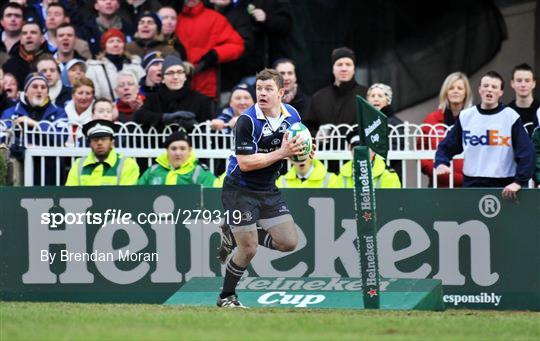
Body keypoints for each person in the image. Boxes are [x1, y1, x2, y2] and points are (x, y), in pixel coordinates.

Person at [216, 68, 310, 308]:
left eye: (268, 89)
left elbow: (296, 147)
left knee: (289, 242)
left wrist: (305, 149)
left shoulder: (293, 115)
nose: (262, 93)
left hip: (268, 188)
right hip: (239, 189)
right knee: (248, 249)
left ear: (281, 92)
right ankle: (227, 297)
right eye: (259, 89)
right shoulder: (247, 121)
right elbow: (245, 164)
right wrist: (283, 152)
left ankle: (233, 230)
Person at [435, 71, 535, 200]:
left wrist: (518, 182)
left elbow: (527, 152)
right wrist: (441, 162)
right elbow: (447, 146)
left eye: (494, 87)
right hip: (472, 184)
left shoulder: (511, 116)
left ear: (501, 92)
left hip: (505, 185)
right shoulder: (466, 116)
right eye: (486, 86)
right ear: (480, 89)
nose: (489, 90)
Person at [175, 0, 244, 99]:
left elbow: (237, 45)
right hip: (177, 85)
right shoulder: (175, 19)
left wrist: (215, 55)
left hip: (206, 86)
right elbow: (168, 44)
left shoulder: (215, 18)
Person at [419, 72, 473, 187]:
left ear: (466, 93)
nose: (455, 91)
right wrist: (444, 175)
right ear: (445, 92)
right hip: (438, 185)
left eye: (460, 88)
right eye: (451, 88)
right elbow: (422, 157)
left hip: (468, 187)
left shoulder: (475, 120)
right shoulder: (431, 120)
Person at [134, 54, 212, 131]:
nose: (175, 77)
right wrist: (165, 117)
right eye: (170, 73)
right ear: (163, 79)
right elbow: (139, 116)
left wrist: (195, 126)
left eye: (180, 72)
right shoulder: (153, 98)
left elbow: (207, 130)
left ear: (185, 77)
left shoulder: (202, 100)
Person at [305, 47, 368, 134]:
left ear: (354, 69)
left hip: (356, 147)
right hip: (326, 147)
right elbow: (307, 128)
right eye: (339, 64)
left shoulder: (366, 95)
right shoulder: (318, 97)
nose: (344, 68)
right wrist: (317, 135)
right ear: (333, 69)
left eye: (348, 64)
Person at [65, 119, 139, 186]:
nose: (99, 143)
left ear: (112, 142)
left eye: (104, 139)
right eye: (95, 140)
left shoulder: (127, 164)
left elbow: (126, 196)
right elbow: (70, 194)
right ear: (89, 144)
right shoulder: (78, 164)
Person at [138, 130, 216, 186]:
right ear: (167, 151)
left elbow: (213, 197)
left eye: (182, 149)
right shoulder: (152, 171)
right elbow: (138, 194)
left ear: (189, 150)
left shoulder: (200, 172)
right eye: (173, 149)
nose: (178, 153)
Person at [85, 28, 145, 100]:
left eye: (119, 41)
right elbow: (93, 94)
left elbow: (143, 88)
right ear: (105, 46)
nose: (115, 45)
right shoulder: (94, 68)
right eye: (111, 41)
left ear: (123, 45)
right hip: (106, 109)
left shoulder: (135, 65)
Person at [365, 83, 404, 180]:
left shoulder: (395, 123)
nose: (376, 99)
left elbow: (396, 148)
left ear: (388, 100)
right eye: (372, 96)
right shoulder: (363, 121)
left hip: (389, 173)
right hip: (367, 173)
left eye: (380, 96)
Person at [3, 21, 52, 87]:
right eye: (24, 33)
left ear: (42, 39)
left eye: (33, 33)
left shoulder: (51, 61)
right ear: (20, 39)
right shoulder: (9, 65)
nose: (28, 36)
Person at [508, 63, 539, 134]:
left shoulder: (539, 110)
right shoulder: (507, 112)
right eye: (519, 80)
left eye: (527, 81)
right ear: (512, 83)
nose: (523, 85)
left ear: (534, 84)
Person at [276, 157, 340, 188]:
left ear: (311, 154)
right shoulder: (282, 181)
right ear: (289, 158)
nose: (300, 158)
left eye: (304, 154)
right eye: (296, 155)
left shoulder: (332, 179)